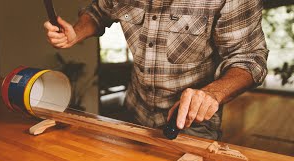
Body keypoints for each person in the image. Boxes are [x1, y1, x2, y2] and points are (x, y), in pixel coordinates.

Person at [44, 0, 268, 140]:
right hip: (134, 113)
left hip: (192, 127)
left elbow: (249, 57)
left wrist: (213, 93)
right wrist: (76, 32)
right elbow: (99, 11)